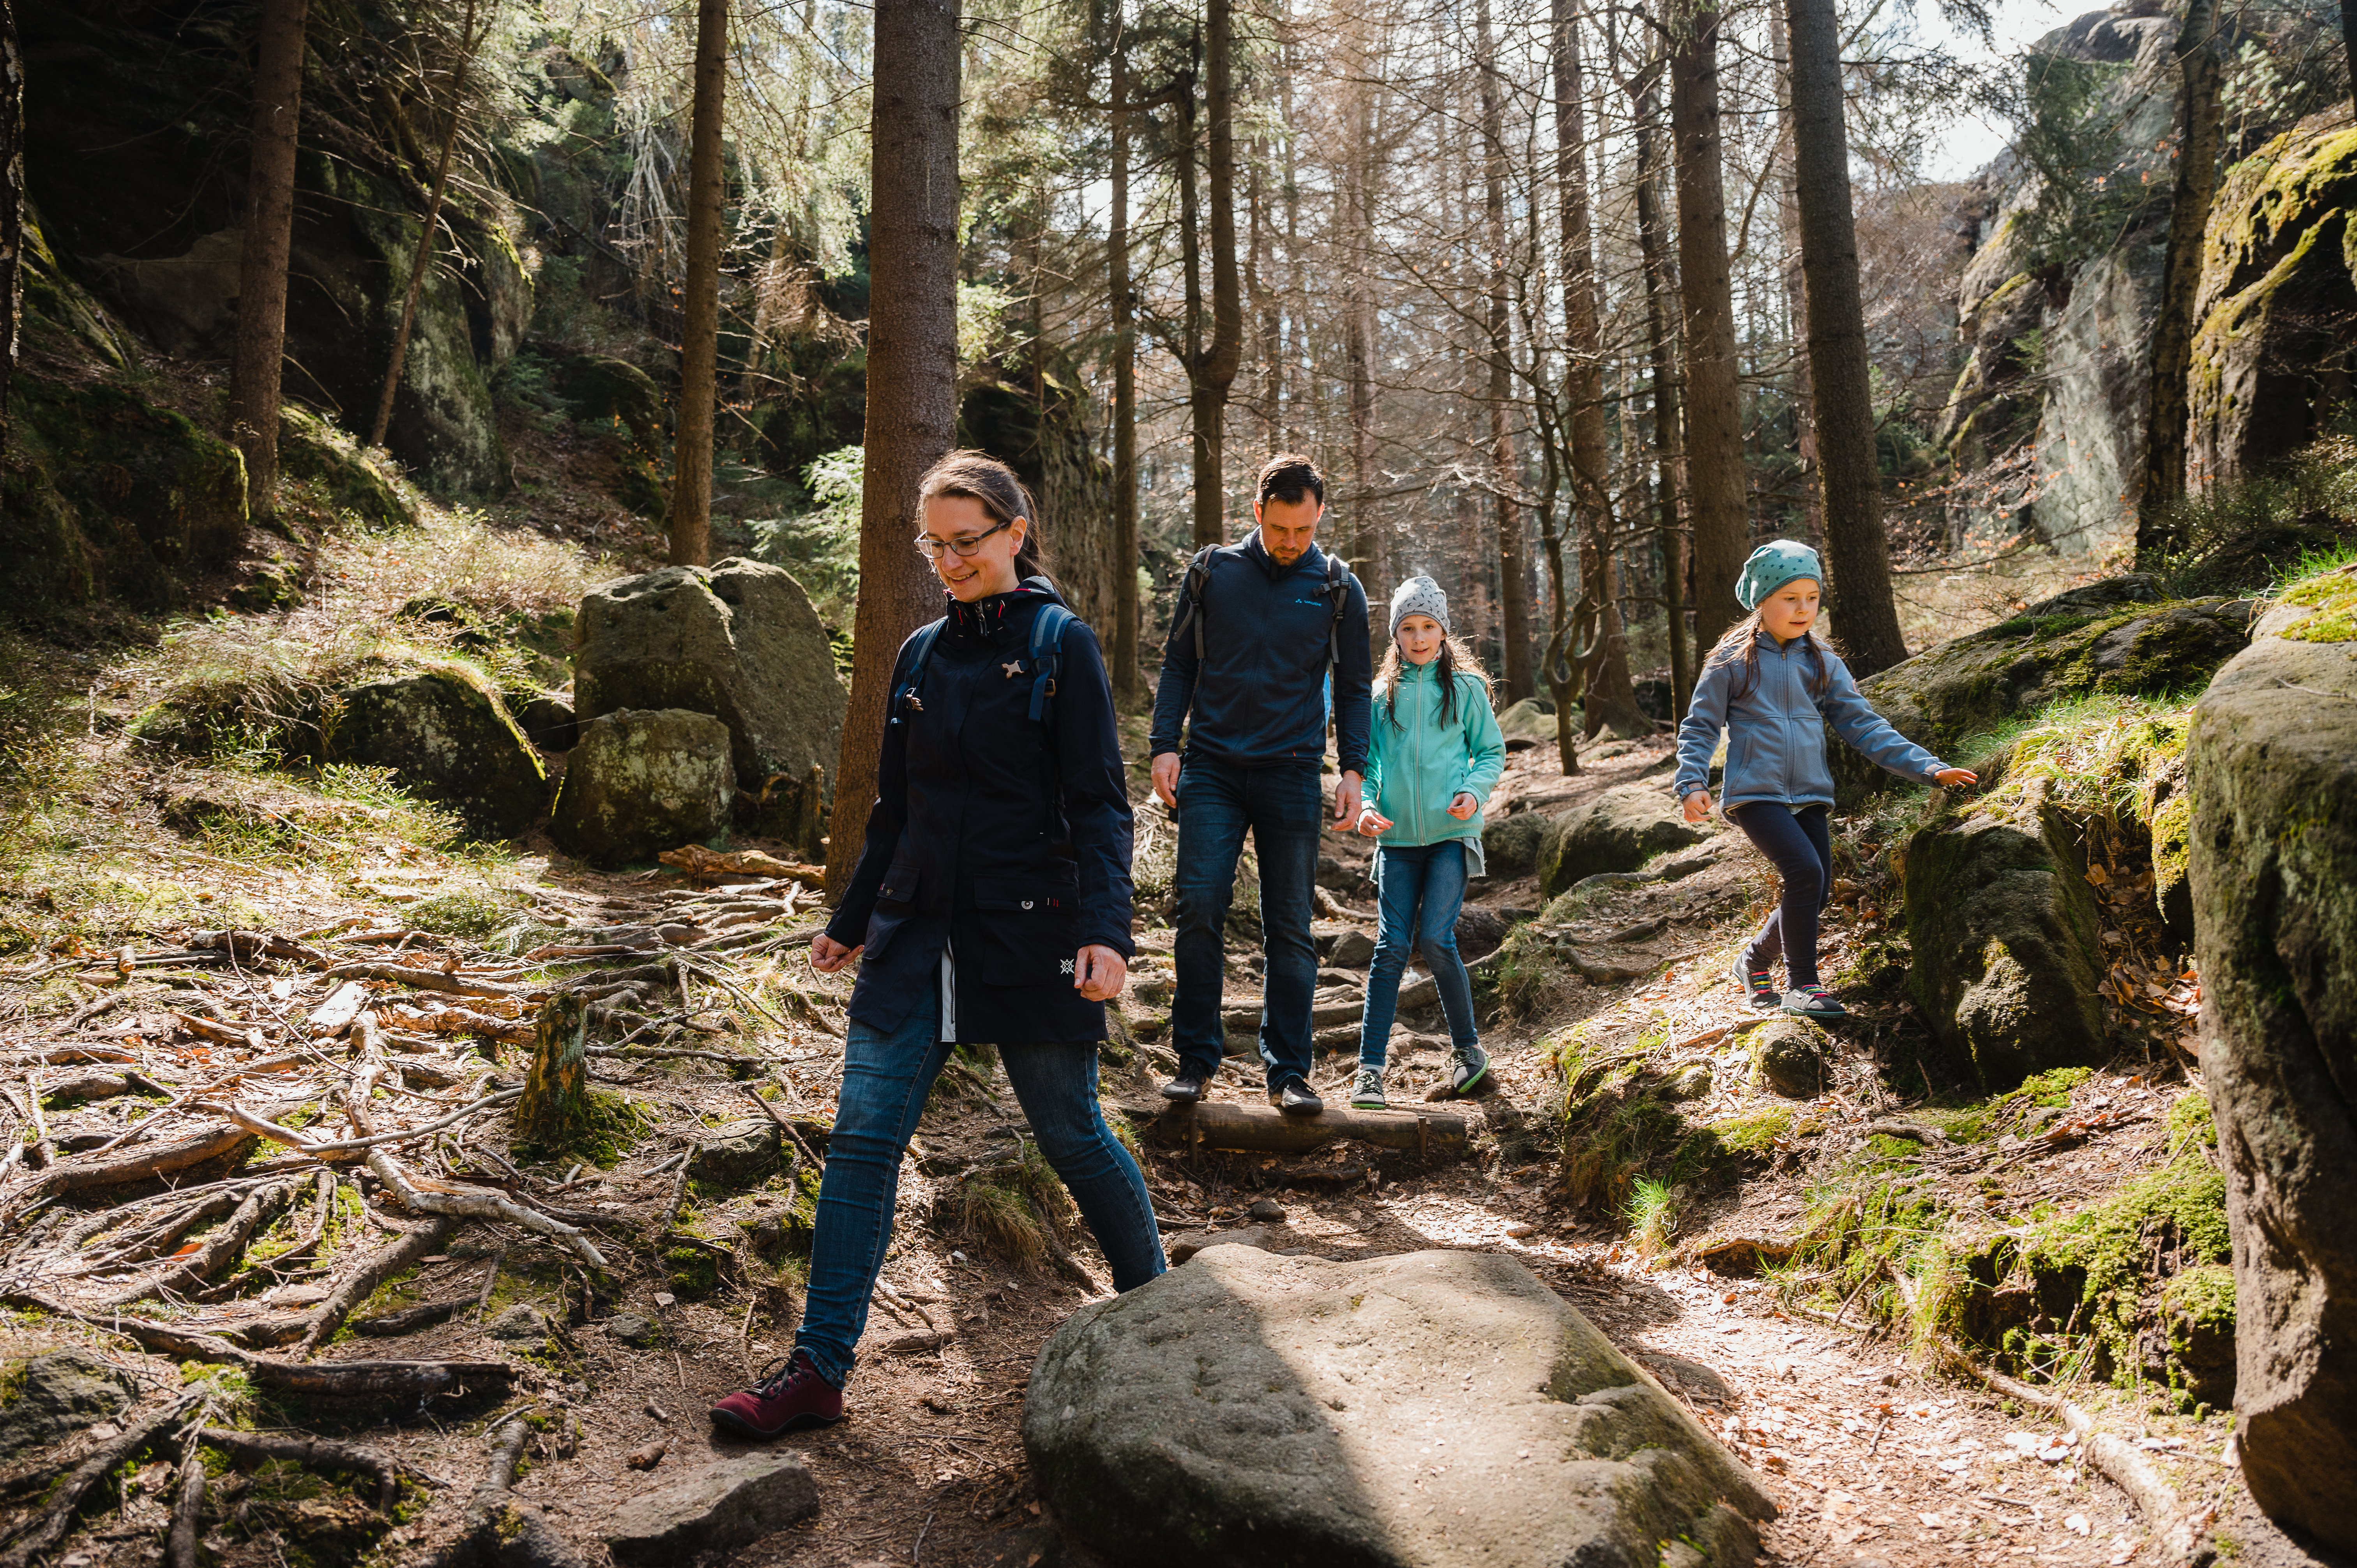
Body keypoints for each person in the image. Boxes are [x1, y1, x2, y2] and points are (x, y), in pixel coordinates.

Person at [709, 451, 1161, 1441]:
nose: (950, 560)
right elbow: (895, 807)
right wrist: (853, 914)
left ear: (1014, 533)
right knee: (864, 1141)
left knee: (1071, 1130)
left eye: (967, 541)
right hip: (915, 931)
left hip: (1031, 926)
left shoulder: (1059, 645)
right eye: (935, 543)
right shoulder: (918, 655)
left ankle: (1164, 1318)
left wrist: (1106, 930)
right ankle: (817, 1369)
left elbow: (1100, 805)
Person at [1148, 454, 1373, 1116]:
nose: (1290, 542)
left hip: (1292, 769)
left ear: (1318, 517)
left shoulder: (1336, 587)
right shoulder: (1212, 572)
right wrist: (1165, 744)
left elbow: (1356, 687)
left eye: (1302, 530)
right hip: (1212, 766)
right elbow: (1178, 663)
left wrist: (1353, 767)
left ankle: (1289, 1073)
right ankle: (1195, 1061)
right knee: (1198, 908)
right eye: (1279, 528)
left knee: (1289, 926)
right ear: (1257, 511)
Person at [1673, 540, 1979, 1021]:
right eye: (1789, 597)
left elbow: (1865, 725)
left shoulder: (1822, 661)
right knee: (1804, 874)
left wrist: (1929, 767)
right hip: (1757, 793)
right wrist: (1692, 781)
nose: (1803, 609)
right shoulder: (1731, 661)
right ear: (1762, 600)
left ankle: (1753, 960)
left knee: (1815, 890)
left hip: (1811, 793)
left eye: (1812, 597)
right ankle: (1803, 986)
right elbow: (1700, 726)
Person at [1349, 576, 1506, 1109]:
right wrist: (1368, 806)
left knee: (1437, 941)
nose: (1418, 638)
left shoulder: (1463, 689)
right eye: (1408, 629)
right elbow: (1366, 766)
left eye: (1428, 627)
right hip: (1395, 844)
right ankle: (1370, 1071)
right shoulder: (1379, 697)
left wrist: (1472, 791)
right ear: (1395, 636)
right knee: (1391, 947)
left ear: (1443, 631)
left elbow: (1490, 753)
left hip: (1450, 836)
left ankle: (1468, 1052)